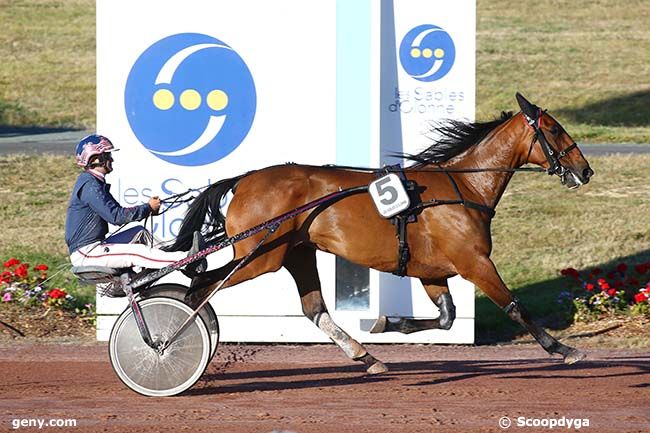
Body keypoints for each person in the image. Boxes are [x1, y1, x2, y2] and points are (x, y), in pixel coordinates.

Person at [65, 134, 205, 274]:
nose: (111, 159)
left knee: (139, 232)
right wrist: (148, 207)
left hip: (92, 248)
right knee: (136, 252)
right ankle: (186, 260)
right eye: (108, 155)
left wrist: (148, 209)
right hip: (86, 253)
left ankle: (171, 255)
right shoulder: (90, 185)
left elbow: (117, 212)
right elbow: (116, 216)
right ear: (96, 159)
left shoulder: (93, 182)